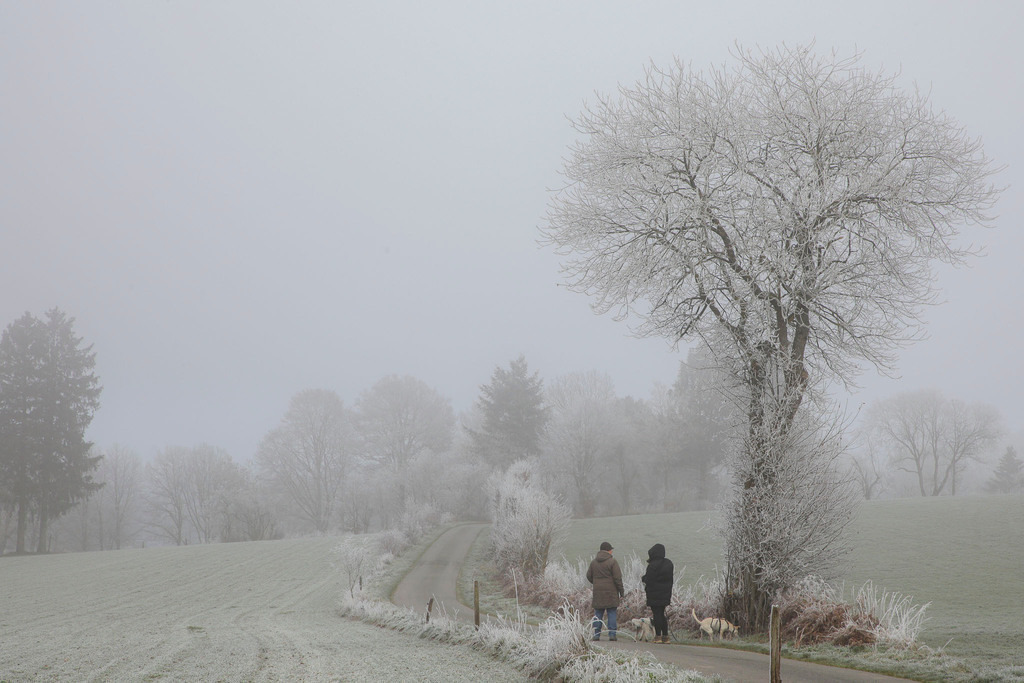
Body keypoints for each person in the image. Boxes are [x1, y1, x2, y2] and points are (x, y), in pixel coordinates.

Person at [586, 541, 624, 641]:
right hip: (611, 592)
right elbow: (617, 578)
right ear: (608, 550)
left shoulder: (594, 562)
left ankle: (596, 634)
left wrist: (596, 583)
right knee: (611, 612)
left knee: (598, 613)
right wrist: (621, 591)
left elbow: (588, 576)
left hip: (598, 591)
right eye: (611, 549)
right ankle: (612, 634)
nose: (612, 551)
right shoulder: (613, 561)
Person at [641, 543, 674, 643]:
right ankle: (666, 637)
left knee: (657, 614)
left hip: (654, 593)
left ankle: (658, 637)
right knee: (662, 614)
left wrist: (644, 578)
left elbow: (649, 579)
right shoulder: (669, 564)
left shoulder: (652, 565)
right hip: (665, 593)